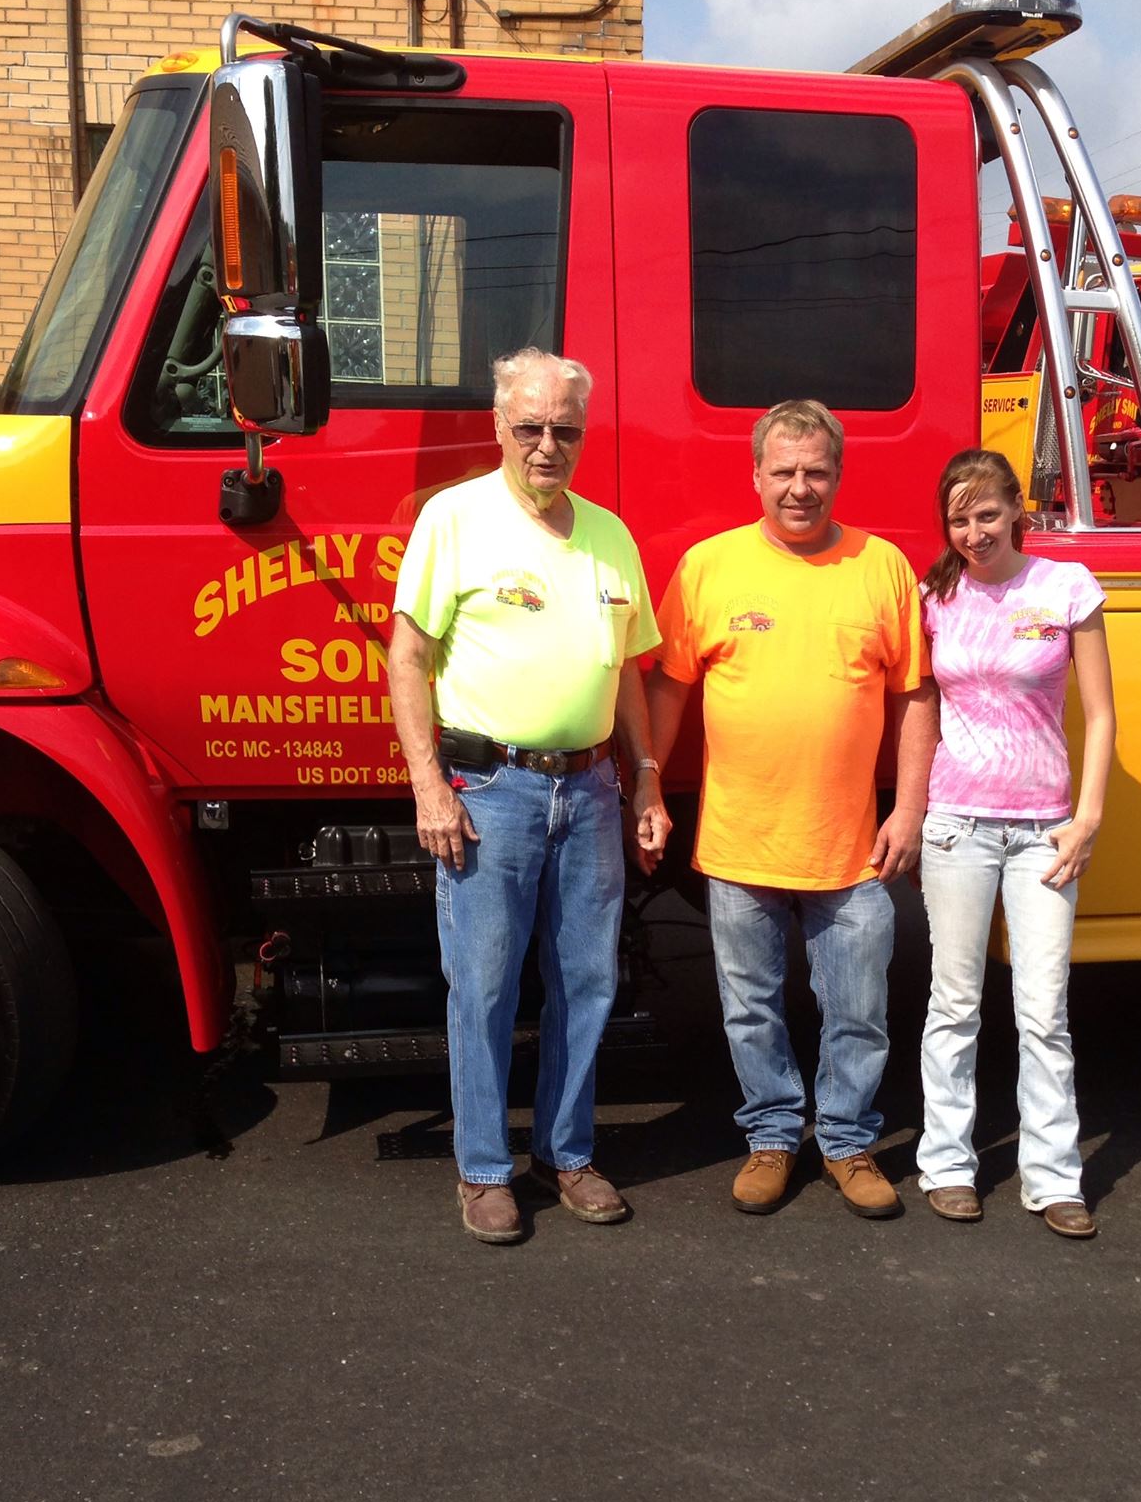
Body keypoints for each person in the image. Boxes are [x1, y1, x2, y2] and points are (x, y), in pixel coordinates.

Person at [388, 348, 670, 1244]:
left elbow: (629, 667)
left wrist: (645, 778)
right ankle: (482, 1170)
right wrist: (429, 783)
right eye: (531, 427)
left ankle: (566, 1153)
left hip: (589, 788)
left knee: (587, 980)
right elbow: (408, 657)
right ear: (498, 427)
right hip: (489, 788)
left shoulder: (611, 535)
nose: (548, 445)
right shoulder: (454, 519)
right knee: (483, 987)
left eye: (566, 430)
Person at [647, 399, 936, 1218]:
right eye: (784, 472)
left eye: (816, 471)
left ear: (838, 476)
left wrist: (908, 806)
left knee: (860, 1012)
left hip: (849, 851)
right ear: (756, 476)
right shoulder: (710, 566)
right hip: (740, 844)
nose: (800, 488)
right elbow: (669, 683)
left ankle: (846, 1143)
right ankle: (772, 1136)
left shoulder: (880, 566)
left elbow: (917, 694)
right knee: (750, 1010)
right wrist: (646, 782)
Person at [915, 447, 1115, 1239]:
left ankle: (1055, 1177)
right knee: (954, 1003)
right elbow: (920, 706)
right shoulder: (936, 594)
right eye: (959, 519)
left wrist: (1088, 817)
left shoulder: (1065, 587)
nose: (974, 532)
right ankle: (948, 1165)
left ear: (1016, 512)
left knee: (1043, 1010)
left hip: (1044, 832)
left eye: (987, 514)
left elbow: (1100, 715)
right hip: (957, 822)